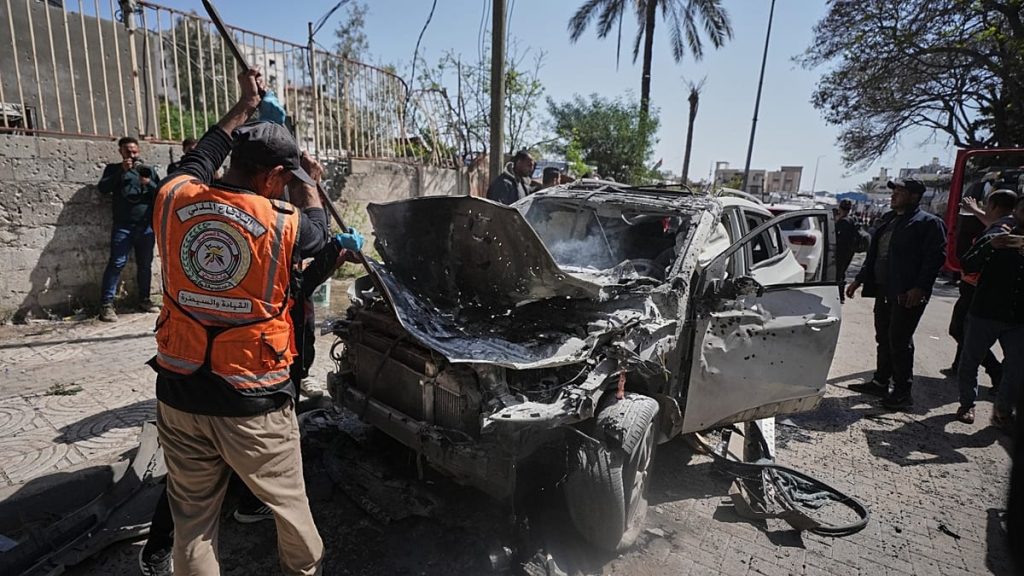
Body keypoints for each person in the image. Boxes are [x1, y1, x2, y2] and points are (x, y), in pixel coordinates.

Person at [149, 68, 362, 575]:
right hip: (251, 398)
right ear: (272, 177)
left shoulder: (173, 197)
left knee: (193, 523)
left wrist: (244, 107)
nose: (285, 186)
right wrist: (310, 181)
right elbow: (316, 227)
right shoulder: (283, 223)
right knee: (290, 511)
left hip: (179, 391)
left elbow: (201, 155)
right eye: (283, 179)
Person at [846, 178, 947, 410]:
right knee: (883, 337)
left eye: (900, 192)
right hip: (884, 289)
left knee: (900, 341)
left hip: (907, 293)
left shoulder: (928, 223)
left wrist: (920, 287)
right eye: (894, 192)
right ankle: (880, 382)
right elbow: (875, 255)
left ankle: (902, 392)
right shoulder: (889, 220)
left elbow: (934, 259)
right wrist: (859, 280)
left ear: (914, 196)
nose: (893, 195)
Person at [954, 195, 1024, 428]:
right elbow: (967, 264)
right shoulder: (996, 234)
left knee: (1016, 367)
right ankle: (967, 404)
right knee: (970, 360)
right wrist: (990, 246)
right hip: (985, 312)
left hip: (1018, 318)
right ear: (1016, 211)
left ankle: (1003, 411)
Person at [941, 190, 1016, 388]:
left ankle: (996, 372)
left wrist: (974, 210)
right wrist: (975, 211)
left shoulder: (1001, 229)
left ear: (993, 206)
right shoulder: (1010, 224)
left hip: (978, 291)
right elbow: (992, 223)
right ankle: (960, 365)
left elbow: (973, 260)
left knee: (961, 330)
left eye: (986, 206)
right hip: (982, 290)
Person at [96, 136, 161, 322]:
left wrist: (148, 183)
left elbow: (160, 192)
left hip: (146, 227)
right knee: (117, 263)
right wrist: (121, 172)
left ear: (139, 151)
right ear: (121, 152)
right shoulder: (114, 169)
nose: (132, 155)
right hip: (123, 226)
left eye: (134, 151)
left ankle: (144, 299)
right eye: (128, 152)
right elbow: (103, 189)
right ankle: (106, 305)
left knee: (145, 265)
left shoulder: (148, 170)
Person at [834, 199, 858, 301]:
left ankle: (839, 295)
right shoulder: (853, 219)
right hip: (849, 251)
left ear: (840, 208)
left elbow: (838, 237)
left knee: (838, 274)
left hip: (841, 251)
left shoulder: (843, 221)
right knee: (842, 273)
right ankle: (840, 295)